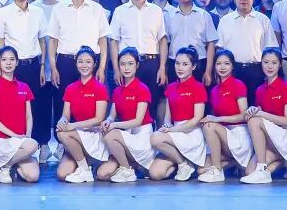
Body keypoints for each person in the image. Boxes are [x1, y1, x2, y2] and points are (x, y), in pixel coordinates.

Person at [0, 0, 51, 164]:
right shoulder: (4, 13)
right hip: (12, 68)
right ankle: (15, 145)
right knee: (13, 107)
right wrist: (0, 69)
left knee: (37, 106)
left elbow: (42, 40)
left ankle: (41, 145)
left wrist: (42, 66)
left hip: (34, 65)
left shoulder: (38, 12)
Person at [49, 0, 112, 128]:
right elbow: (53, 41)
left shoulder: (97, 9)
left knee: (91, 102)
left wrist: (101, 67)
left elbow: (103, 40)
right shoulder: (58, 9)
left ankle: (91, 136)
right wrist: (53, 68)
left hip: (91, 63)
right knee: (63, 101)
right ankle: (63, 136)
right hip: (65, 62)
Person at [239, 47, 287, 183]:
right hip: (273, 139)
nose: (269, 66)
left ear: (280, 65)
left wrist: (260, 114)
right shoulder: (260, 90)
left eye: (274, 63)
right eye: (266, 62)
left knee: (254, 120)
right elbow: (260, 117)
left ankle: (263, 169)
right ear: (261, 63)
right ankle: (285, 161)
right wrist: (253, 110)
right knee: (249, 172)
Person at [109, 0, 168, 115]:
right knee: (127, 105)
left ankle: (149, 128)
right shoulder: (120, 11)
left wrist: (162, 67)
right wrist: (116, 69)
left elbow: (162, 40)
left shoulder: (156, 11)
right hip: (127, 65)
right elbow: (113, 41)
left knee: (151, 103)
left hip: (152, 64)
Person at [148, 47, 209, 181]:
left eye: (185, 64)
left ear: (193, 66)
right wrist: (167, 126)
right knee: (156, 174)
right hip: (175, 133)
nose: (180, 68)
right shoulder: (171, 88)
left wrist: (173, 130)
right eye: (177, 63)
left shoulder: (198, 87)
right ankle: (182, 164)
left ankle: (184, 163)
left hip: (191, 133)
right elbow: (167, 118)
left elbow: (197, 119)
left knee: (155, 138)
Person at [95, 47, 155, 183]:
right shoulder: (117, 91)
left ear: (137, 65)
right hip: (126, 136)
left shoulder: (142, 89)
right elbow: (111, 116)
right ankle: (131, 166)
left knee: (110, 134)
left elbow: (138, 121)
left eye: (130, 64)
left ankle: (127, 170)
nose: (126, 68)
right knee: (102, 174)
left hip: (141, 136)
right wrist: (108, 121)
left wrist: (114, 125)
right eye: (122, 64)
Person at [197, 49, 255, 182]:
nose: (222, 67)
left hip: (239, 134)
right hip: (223, 136)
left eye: (226, 64)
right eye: (218, 64)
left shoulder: (238, 85)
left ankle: (217, 170)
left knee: (210, 125)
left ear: (232, 66)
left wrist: (216, 119)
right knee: (201, 170)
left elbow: (243, 115)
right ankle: (235, 162)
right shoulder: (214, 90)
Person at [215, 0, 277, 104]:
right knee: (232, 107)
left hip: (257, 70)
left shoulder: (263, 19)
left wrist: (269, 73)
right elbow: (220, 49)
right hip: (232, 71)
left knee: (256, 106)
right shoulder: (225, 21)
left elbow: (271, 48)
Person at [0, 46, 40, 183]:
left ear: (17, 62)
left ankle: (6, 166)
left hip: (20, 141)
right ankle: (8, 166)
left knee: (33, 177)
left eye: (12, 59)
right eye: (4, 60)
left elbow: (29, 116)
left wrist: (27, 136)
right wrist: (13, 134)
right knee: (31, 146)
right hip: (1, 140)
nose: (8, 63)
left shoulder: (24, 87)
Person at [55, 46, 110, 183]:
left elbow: (99, 119)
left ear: (94, 64)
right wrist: (62, 121)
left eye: (88, 62)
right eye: (80, 61)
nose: (84, 65)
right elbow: (65, 115)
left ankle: (85, 169)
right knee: (62, 174)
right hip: (77, 136)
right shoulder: (70, 88)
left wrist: (73, 126)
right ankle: (85, 166)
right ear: (76, 63)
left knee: (63, 134)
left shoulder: (100, 88)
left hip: (94, 135)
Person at [33, 0, 63, 161]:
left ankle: (62, 144)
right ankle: (43, 144)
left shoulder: (66, 5)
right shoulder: (34, 7)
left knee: (62, 104)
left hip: (62, 64)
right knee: (41, 106)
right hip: (41, 65)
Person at [165, 0, 217, 85]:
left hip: (199, 64)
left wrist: (208, 71)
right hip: (175, 64)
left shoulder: (204, 15)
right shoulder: (168, 16)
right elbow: (164, 44)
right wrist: (163, 69)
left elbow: (211, 44)